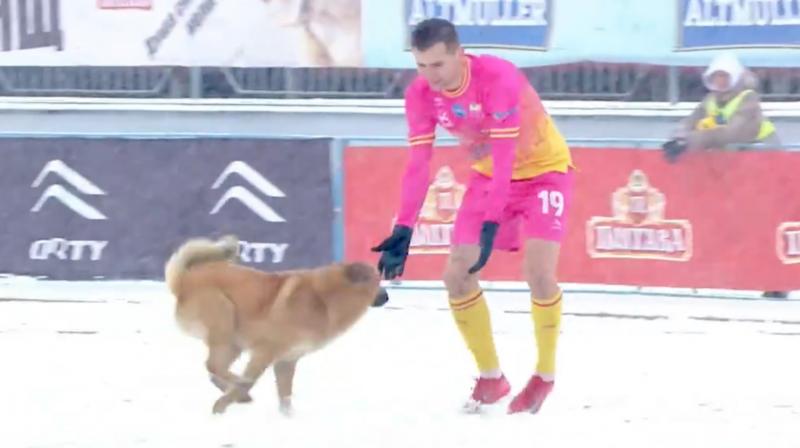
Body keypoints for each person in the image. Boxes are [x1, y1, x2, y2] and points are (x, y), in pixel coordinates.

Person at [371, 18, 574, 414]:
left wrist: (493, 219)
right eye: (421, 66)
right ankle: (491, 378)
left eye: (438, 65)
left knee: (538, 273)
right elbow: (418, 164)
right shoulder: (420, 94)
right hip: (487, 178)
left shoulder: (498, 77)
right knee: (456, 276)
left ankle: (544, 375)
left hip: (544, 173)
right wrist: (403, 228)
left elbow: (506, 156)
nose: (430, 76)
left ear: (460, 55)